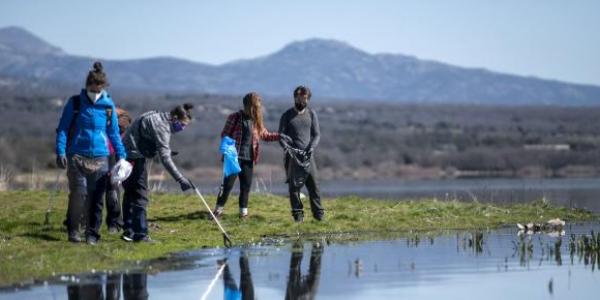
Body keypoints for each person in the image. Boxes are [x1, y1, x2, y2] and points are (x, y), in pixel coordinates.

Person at [55, 61, 127, 244]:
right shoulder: (75, 102)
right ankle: (73, 230)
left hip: (101, 156)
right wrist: (60, 150)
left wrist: (121, 154)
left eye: (98, 91)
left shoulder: (108, 106)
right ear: (87, 86)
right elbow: (63, 128)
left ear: (104, 88)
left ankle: (93, 234)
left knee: (96, 198)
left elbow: (113, 133)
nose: (95, 94)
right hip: (77, 155)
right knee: (79, 193)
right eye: (92, 90)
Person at [121, 103, 195, 242]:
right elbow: (165, 159)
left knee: (130, 193)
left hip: (125, 153)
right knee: (140, 195)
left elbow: (147, 138)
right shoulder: (163, 127)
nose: (182, 128)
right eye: (181, 124)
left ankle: (128, 231)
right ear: (174, 118)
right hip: (134, 157)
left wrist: (161, 151)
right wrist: (180, 179)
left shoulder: (156, 116)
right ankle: (141, 235)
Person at [212, 92, 279, 219]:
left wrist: (280, 136)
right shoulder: (235, 117)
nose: (257, 109)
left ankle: (243, 214)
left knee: (245, 188)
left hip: (249, 159)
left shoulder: (256, 121)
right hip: (233, 158)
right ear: (248, 105)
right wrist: (229, 154)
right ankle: (217, 212)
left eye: (258, 107)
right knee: (227, 186)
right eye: (256, 106)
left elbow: (265, 135)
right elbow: (225, 135)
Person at [278, 86, 324, 223]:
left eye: (304, 98)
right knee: (294, 189)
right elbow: (281, 136)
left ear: (308, 99)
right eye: (298, 98)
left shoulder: (311, 114)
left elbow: (316, 135)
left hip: (309, 158)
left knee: (314, 187)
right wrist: (287, 147)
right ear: (294, 98)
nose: (301, 100)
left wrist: (312, 147)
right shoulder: (286, 115)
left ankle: (319, 217)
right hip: (293, 158)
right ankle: (298, 218)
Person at [105, 107, 132, 234]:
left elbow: (124, 123)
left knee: (112, 186)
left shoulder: (116, 114)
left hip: (112, 152)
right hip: (97, 151)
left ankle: (115, 222)